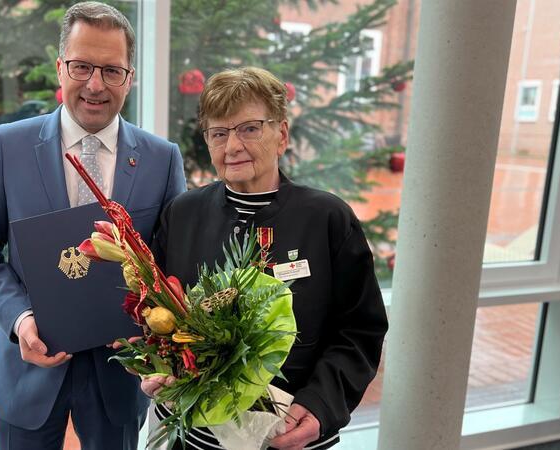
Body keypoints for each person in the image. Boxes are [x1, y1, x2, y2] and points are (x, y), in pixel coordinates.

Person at [0, 2, 186, 449]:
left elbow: (169, 259)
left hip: (120, 377)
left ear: (129, 78)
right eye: (81, 67)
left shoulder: (162, 158)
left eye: (112, 71)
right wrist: (19, 319)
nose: (95, 85)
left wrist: (158, 325)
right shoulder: (5, 147)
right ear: (60, 68)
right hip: (27, 371)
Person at [145, 67, 388, 449]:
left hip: (288, 434)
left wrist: (322, 404)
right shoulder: (182, 214)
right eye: (219, 133)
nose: (233, 146)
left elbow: (359, 330)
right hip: (192, 436)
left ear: (282, 135)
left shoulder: (327, 219)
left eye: (250, 128)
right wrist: (157, 367)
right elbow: (155, 311)